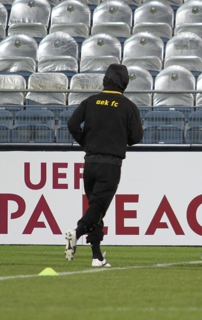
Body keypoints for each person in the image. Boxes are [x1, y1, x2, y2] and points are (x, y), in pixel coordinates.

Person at [65, 64, 144, 267]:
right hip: (110, 164)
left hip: (90, 162)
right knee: (98, 208)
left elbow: (72, 124)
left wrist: (86, 143)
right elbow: (136, 137)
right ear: (124, 83)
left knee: (95, 208)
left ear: (105, 80)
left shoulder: (90, 101)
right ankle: (77, 231)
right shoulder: (128, 106)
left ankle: (97, 256)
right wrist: (119, 139)